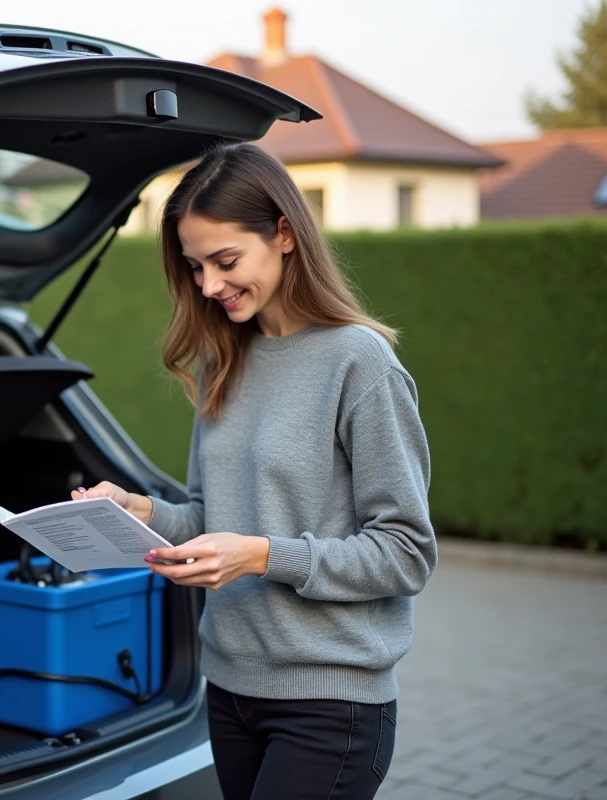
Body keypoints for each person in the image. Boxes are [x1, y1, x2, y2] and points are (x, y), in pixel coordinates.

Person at [71, 143, 436, 800]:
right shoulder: (224, 357)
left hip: (331, 706)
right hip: (231, 692)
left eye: (225, 261)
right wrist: (145, 512)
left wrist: (265, 556)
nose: (208, 285)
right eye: (194, 266)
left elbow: (407, 555)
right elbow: (216, 516)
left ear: (286, 235)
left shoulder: (360, 364)